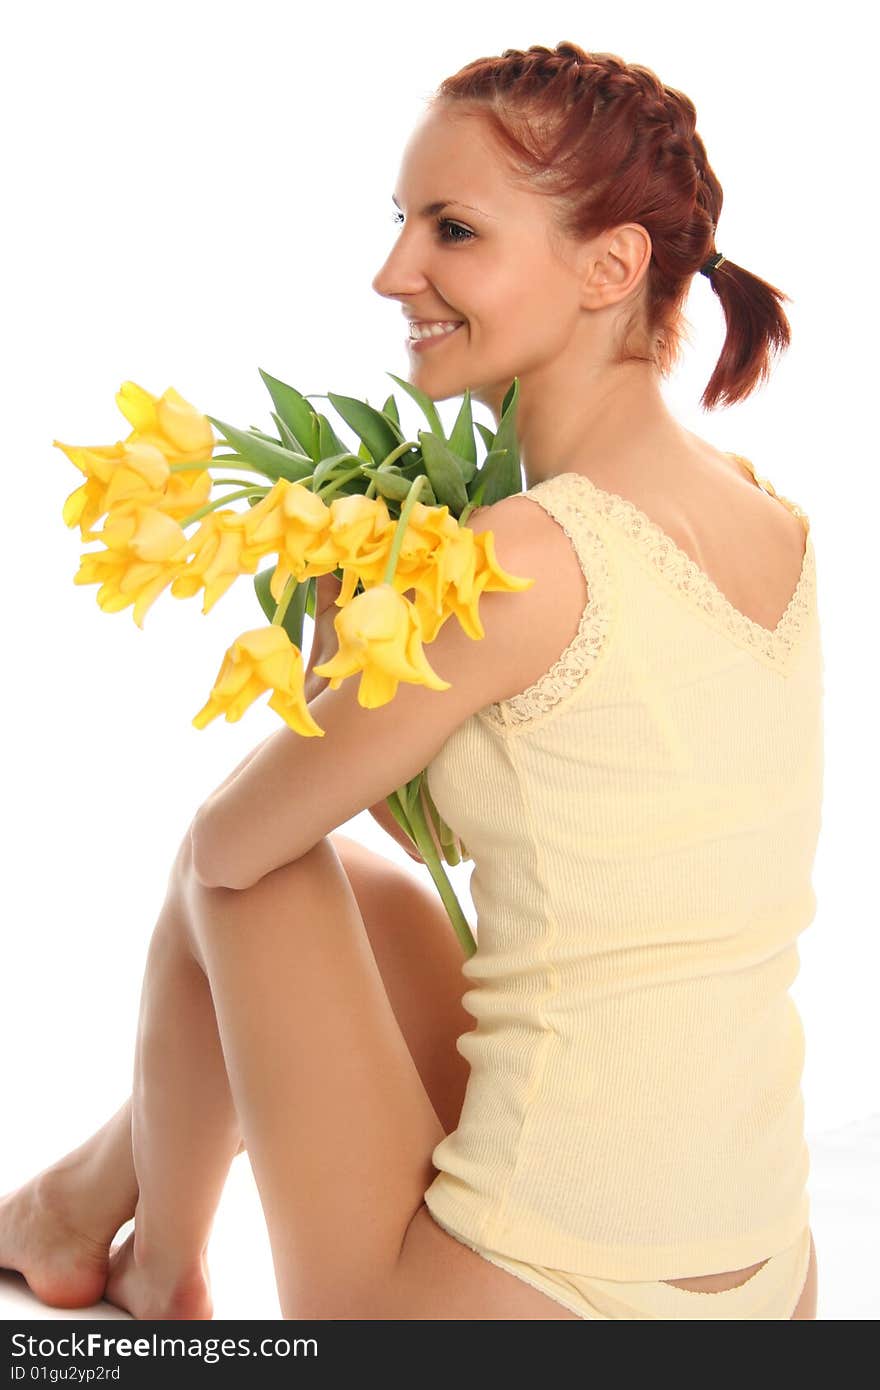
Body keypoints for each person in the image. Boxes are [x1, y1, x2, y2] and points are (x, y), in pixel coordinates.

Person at [0, 41, 820, 1319]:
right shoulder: (766, 513)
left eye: (452, 230)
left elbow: (235, 846)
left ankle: (149, 1260)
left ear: (611, 268)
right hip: (767, 1281)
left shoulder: (524, 555)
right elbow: (559, 826)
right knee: (370, 886)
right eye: (400, 221)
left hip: (526, 1303)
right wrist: (376, 669)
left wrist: (335, 668)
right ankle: (85, 1205)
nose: (394, 273)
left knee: (238, 858)